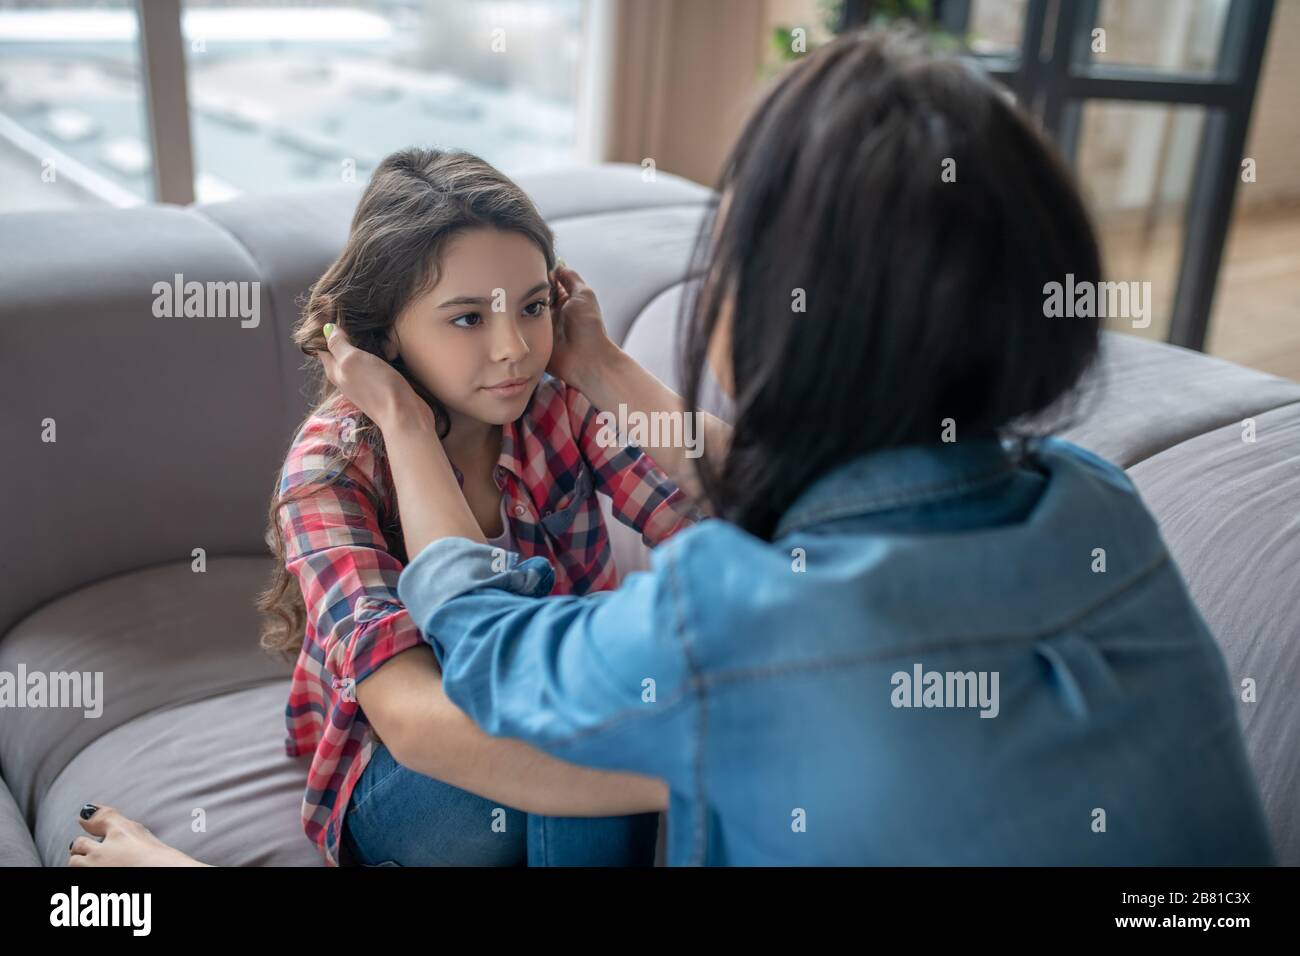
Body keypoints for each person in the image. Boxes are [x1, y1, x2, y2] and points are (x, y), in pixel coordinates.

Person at [70, 27, 1273, 867]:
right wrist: (394, 419)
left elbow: (683, 533)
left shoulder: (711, 602)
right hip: (406, 760)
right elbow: (434, 709)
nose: (511, 345)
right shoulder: (1102, 506)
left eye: (533, 304)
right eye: (467, 318)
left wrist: (590, 368)